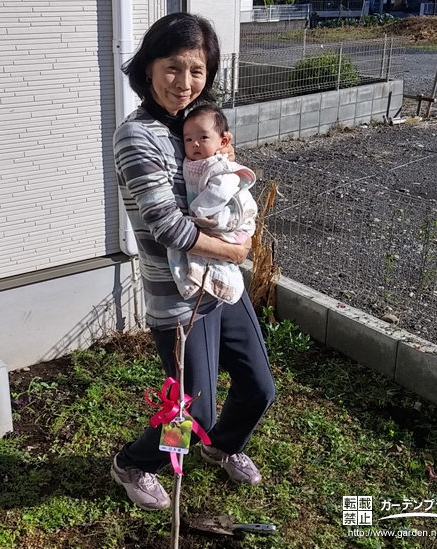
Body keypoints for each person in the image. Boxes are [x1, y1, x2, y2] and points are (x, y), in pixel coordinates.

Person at [111, 12, 276, 512]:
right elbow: (169, 229)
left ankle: (223, 446)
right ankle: (134, 463)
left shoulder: (195, 126)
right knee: (190, 408)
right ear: (148, 69)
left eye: (197, 71)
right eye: (173, 68)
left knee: (258, 387)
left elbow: (225, 186)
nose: (185, 83)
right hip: (181, 298)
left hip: (222, 284)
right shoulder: (136, 137)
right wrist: (238, 250)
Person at [168, 104, 258, 304]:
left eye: (203, 138)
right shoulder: (193, 162)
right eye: (188, 139)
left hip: (216, 214)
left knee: (220, 245)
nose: (195, 144)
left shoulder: (218, 164)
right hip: (202, 219)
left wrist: (198, 211)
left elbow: (222, 190)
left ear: (223, 140)